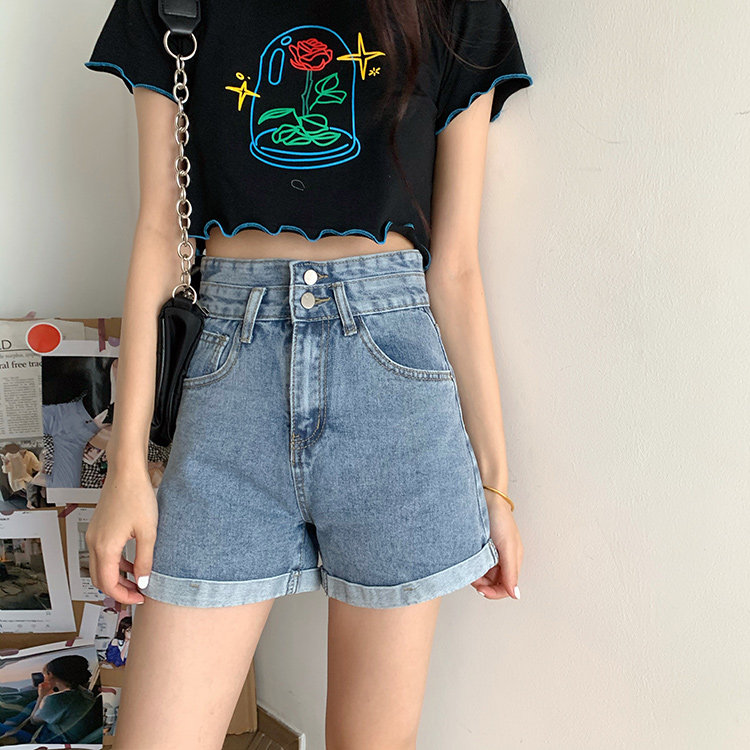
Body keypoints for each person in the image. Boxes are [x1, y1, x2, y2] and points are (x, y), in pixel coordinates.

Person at [83, 1, 533, 747]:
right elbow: (161, 233)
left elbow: (454, 268)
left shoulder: (453, 9)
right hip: (229, 382)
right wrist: (126, 466)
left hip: (393, 390)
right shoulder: (174, 5)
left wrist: (494, 483)